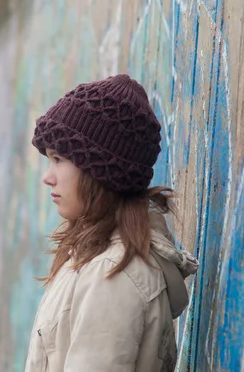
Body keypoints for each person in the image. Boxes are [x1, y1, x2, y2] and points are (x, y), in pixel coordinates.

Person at [24, 74, 199, 372]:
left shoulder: (112, 276)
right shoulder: (94, 257)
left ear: (100, 172)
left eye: (58, 159)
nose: (48, 176)